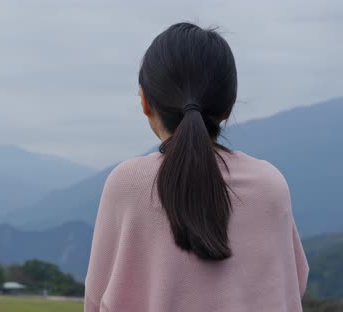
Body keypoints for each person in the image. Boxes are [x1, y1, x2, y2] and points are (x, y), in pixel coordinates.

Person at [85, 22, 309, 312]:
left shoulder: (128, 183)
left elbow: (96, 296)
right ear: (228, 107)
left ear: (145, 101)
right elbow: (293, 283)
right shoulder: (270, 185)